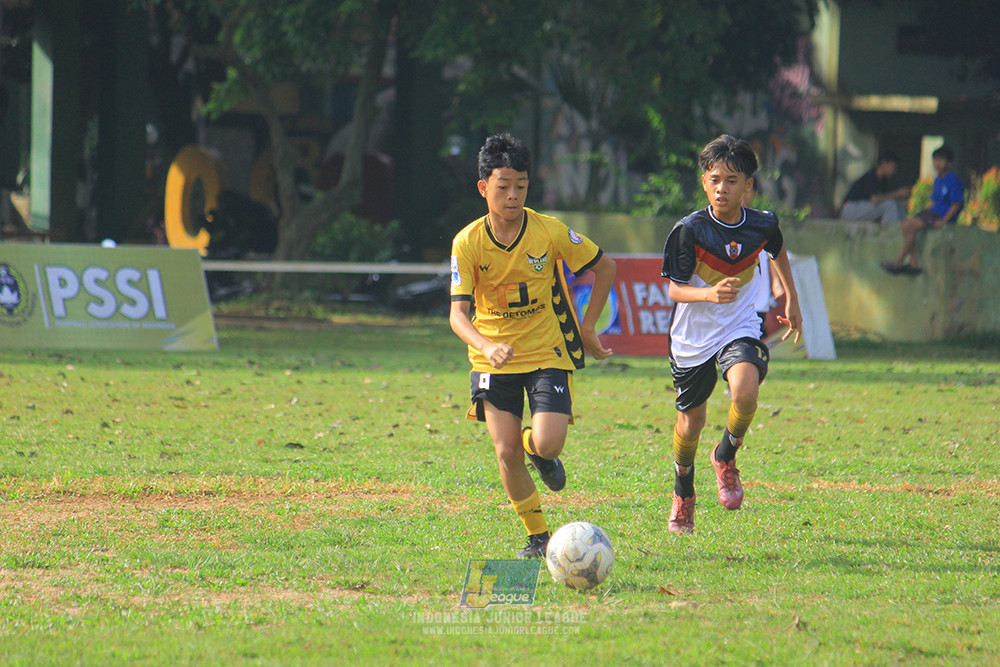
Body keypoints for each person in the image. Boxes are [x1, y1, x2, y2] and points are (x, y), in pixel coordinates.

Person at [449, 133, 617, 558]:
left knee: (548, 445)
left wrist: (588, 327)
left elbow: (605, 267)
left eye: (520, 186)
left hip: (546, 353)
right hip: (493, 359)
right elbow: (457, 316)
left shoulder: (548, 231)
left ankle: (536, 449)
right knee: (504, 451)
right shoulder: (467, 242)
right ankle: (539, 537)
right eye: (503, 186)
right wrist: (486, 346)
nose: (512, 195)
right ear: (483, 187)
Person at [661, 134, 802, 534]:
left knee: (746, 390)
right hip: (691, 339)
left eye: (732, 180)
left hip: (739, 328)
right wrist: (707, 292)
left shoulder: (763, 224)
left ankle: (725, 456)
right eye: (715, 179)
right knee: (690, 424)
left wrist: (790, 297)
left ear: (749, 186)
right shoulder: (689, 230)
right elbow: (673, 289)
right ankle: (683, 491)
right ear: (704, 183)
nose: (723, 188)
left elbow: (778, 251)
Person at [882, 145, 964, 275]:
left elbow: (956, 204)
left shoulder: (952, 179)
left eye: (941, 160)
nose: (937, 163)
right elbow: (934, 201)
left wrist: (944, 221)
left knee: (910, 226)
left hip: (940, 215)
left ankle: (899, 262)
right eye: (935, 159)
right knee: (905, 226)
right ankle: (914, 263)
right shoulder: (937, 180)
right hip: (932, 212)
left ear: (949, 163)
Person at [742, 179, 786, 339]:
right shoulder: (724, 223)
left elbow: (772, 253)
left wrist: (776, 282)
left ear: (755, 193)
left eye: (748, 190)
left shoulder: (763, 222)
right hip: (735, 290)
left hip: (758, 289)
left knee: (756, 333)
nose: (743, 195)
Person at [840, 152, 912, 223]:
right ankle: (890, 232)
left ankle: (903, 230)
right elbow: (875, 199)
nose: (894, 171)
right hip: (850, 209)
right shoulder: (871, 176)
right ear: (884, 164)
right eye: (893, 167)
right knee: (890, 204)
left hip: (861, 209)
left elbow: (882, 200)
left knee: (897, 205)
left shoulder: (883, 180)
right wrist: (898, 193)